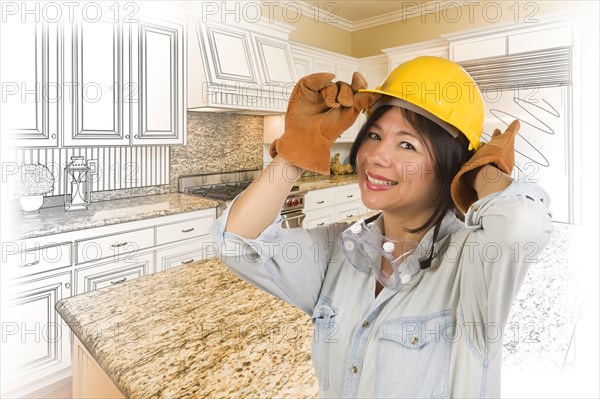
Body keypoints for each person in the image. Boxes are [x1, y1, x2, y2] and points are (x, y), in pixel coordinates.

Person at [209, 56, 553, 398]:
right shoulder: (339, 249)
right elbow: (236, 242)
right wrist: (294, 150)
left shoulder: (472, 263)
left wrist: (483, 171)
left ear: (453, 164)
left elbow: (522, 226)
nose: (375, 155)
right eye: (374, 135)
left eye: (407, 144)